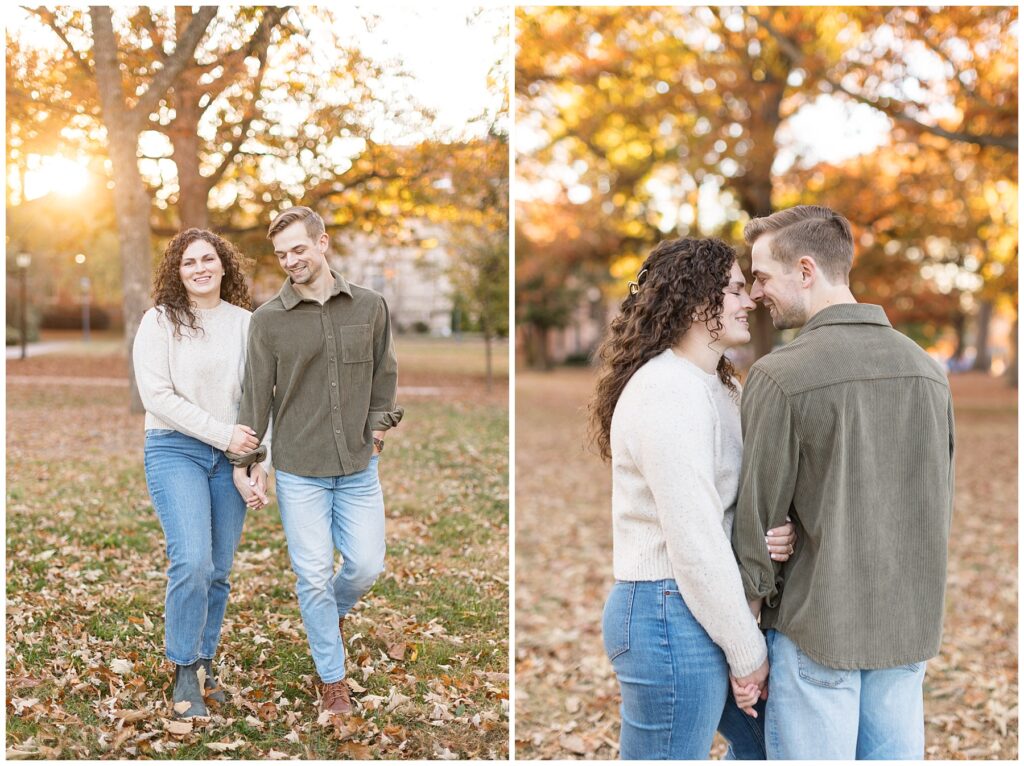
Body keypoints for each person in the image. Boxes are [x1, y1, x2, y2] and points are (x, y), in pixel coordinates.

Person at [732, 205, 955, 759]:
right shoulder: (928, 372)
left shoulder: (781, 375)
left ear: (805, 270)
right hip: (906, 629)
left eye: (761, 276)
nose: (757, 293)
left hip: (818, 633)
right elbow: (935, 500)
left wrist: (747, 643)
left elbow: (757, 522)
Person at [588, 237, 797, 759]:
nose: (748, 300)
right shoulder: (665, 392)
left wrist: (775, 531)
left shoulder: (721, 386)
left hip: (707, 605)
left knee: (772, 748)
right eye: (732, 289)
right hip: (667, 612)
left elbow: (736, 501)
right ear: (692, 300)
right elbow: (694, 538)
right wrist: (747, 653)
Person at [228, 206, 403, 716]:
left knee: (366, 565)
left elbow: (383, 372)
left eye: (299, 249)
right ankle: (333, 681)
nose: (291, 261)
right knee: (311, 576)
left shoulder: (370, 306)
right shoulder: (267, 321)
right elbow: (255, 395)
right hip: (300, 469)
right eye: (282, 254)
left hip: (356, 465)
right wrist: (249, 457)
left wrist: (377, 427)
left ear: (322, 243)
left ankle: (325, 616)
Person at [134, 228, 269, 719]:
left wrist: (253, 464)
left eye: (208, 259)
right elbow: (159, 398)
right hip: (175, 449)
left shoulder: (246, 324)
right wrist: (224, 437)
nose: (200, 268)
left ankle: (205, 661)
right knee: (191, 560)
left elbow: (259, 400)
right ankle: (184, 667)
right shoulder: (160, 321)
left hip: (231, 456)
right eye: (189, 262)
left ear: (224, 265)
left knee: (217, 570)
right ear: (178, 270)